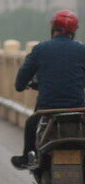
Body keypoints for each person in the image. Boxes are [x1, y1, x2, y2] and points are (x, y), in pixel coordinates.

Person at [10, 10, 85, 169]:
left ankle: (27, 157)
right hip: (78, 108)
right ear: (73, 32)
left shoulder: (40, 49)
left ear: (53, 30)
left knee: (31, 124)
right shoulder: (82, 50)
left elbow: (19, 83)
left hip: (47, 109)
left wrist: (24, 85)